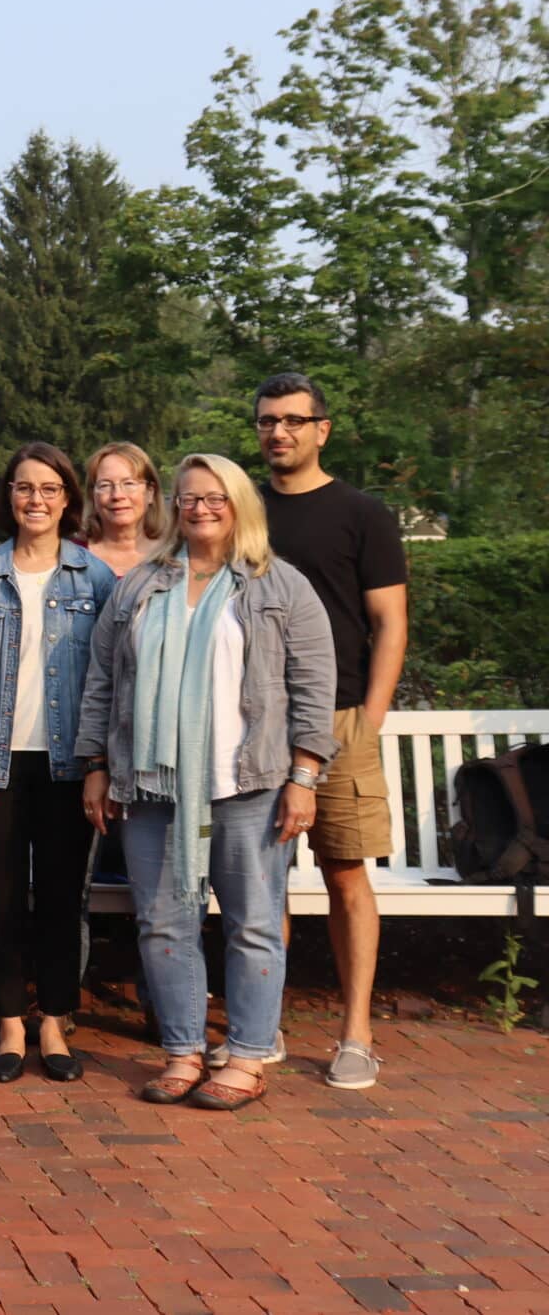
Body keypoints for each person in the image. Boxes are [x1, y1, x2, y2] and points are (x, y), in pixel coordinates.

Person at [78, 454, 337, 1112]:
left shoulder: (278, 585)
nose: (200, 508)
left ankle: (247, 1056)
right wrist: (97, 765)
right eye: (189, 497)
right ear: (174, 505)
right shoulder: (140, 586)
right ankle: (183, 1050)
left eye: (215, 496)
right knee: (163, 925)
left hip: (248, 786)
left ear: (239, 503)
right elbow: (103, 682)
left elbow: (312, 690)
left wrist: (304, 777)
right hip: (150, 788)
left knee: (252, 924)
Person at [0, 445, 114, 1083]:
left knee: (65, 897)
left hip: (69, 766)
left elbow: (107, 676)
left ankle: (54, 1021)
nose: (34, 500)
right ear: (7, 496)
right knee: (1, 894)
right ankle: (10, 1020)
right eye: (23, 488)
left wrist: (97, 761)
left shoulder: (94, 579)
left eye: (48, 488)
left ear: (67, 497)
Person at [254, 371, 408, 1091]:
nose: (277, 432)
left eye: (292, 420)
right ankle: (265, 1022)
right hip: (256, 722)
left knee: (346, 873)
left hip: (342, 717)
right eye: (266, 421)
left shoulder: (362, 513)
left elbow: (389, 623)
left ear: (323, 427)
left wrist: (369, 721)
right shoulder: (244, 513)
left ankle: (356, 1033)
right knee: (263, 881)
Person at [81, 443, 168, 577]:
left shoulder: (174, 556)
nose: (117, 495)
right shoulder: (69, 556)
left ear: (150, 492)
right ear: (92, 495)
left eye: (129, 484)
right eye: (105, 485)